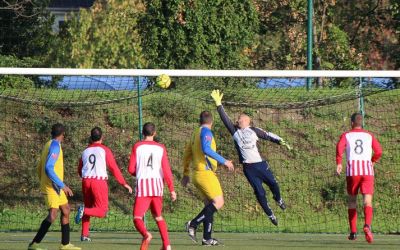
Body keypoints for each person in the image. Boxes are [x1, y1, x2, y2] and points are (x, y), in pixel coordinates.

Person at [210, 90, 291, 226]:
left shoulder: (254, 130)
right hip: (249, 169)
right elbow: (226, 120)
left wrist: (281, 141)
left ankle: (279, 199)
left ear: (247, 120)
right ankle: (270, 214)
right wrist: (219, 104)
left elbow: (268, 135)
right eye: (237, 119)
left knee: (274, 184)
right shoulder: (235, 132)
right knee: (260, 192)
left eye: (240, 118)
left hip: (260, 165)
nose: (237, 119)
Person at [182, 111, 234, 246]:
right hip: (205, 173)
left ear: (200, 120)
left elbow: (187, 153)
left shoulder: (195, 133)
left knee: (209, 206)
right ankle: (192, 224)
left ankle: (207, 238)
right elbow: (206, 149)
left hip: (197, 174)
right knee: (219, 202)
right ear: (212, 121)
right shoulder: (206, 132)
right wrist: (225, 161)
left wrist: (186, 173)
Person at [28, 123, 81, 250]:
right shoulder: (55, 146)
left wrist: (44, 181)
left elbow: (39, 167)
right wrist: (62, 185)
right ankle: (34, 244)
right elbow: (48, 167)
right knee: (52, 214)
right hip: (52, 187)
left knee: (66, 210)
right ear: (63, 135)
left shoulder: (48, 144)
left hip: (54, 186)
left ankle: (65, 244)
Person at [75, 127, 133, 241]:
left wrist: (86, 178)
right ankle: (83, 211)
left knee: (88, 206)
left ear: (91, 138)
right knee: (102, 211)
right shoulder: (105, 150)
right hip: (99, 182)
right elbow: (114, 168)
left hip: (86, 181)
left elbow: (79, 169)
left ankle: (84, 235)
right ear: (102, 137)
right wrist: (124, 183)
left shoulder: (85, 151)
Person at [128, 122, 176, 250]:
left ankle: (146, 234)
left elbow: (130, 168)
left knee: (137, 217)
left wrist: (138, 172)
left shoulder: (137, 146)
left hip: (143, 186)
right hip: (157, 187)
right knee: (158, 216)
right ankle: (167, 245)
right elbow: (166, 170)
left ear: (143, 133)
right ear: (154, 133)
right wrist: (172, 189)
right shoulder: (161, 148)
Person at [336, 112, 382, 243]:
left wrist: (339, 162)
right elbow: (379, 151)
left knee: (352, 202)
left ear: (351, 123)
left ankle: (353, 233)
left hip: (353, 172)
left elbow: (339, 148)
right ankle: (367, 226)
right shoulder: (369, 135)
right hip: (367, 171)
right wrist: (372, 161)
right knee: (367, 201)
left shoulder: (346, 135)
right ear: (361, 123)